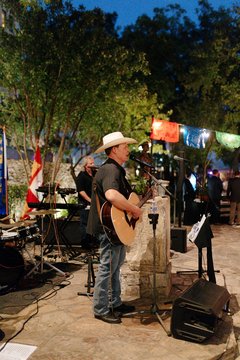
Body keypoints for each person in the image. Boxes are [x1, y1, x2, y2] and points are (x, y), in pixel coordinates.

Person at [87, 131, 142, 324]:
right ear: (114, 149)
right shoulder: (111, 169)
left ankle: (114, 302)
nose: (128, 149)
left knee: (115, 267)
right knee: (107, 268)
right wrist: (134, 208)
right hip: (108, 229)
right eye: (124, 146)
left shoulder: (113, 169)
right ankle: (101, 308)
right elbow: (111, 195)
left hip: (113, 228)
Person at [76, 156, 96, 249]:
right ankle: (85, 244)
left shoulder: (95, 174)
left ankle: (93, 242)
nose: (93, 165)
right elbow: (81, 191)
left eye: (93, 163)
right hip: (85, 203)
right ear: (85, 165)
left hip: (94, 203)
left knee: (93, 223)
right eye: (90, 164)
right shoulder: (81, 176)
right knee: (85, 224)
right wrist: (90, 200)